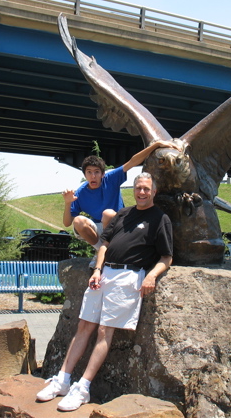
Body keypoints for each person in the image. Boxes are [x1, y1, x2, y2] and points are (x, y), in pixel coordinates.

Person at [38, 172, 173, 412]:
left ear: (154, 192)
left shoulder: (160, 219)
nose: (142, 192)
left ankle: (83, 388)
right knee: (84, 326)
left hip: (128, 277)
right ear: (134, 189)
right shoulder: (123, 214)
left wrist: (151, 275)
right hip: (103, 275)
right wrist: (97, 270)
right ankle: (63, 380)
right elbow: (105, 246)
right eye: (139, 188)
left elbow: (166, 257)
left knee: (104, 331)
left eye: (146, 189)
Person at [62, 140, 177, 251]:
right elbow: (67, 223)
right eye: (89, 172)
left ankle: (108, 250)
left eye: (96, 172)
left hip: (118, 225)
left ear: (102, 174)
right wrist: (68, 203)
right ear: (85, 174)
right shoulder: (80, 193)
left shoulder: (110, 179)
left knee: (108, 213)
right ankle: (102, 251)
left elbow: (132, 162)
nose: (93, 176)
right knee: (78, 221)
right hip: (99, 230)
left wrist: (155, 145)